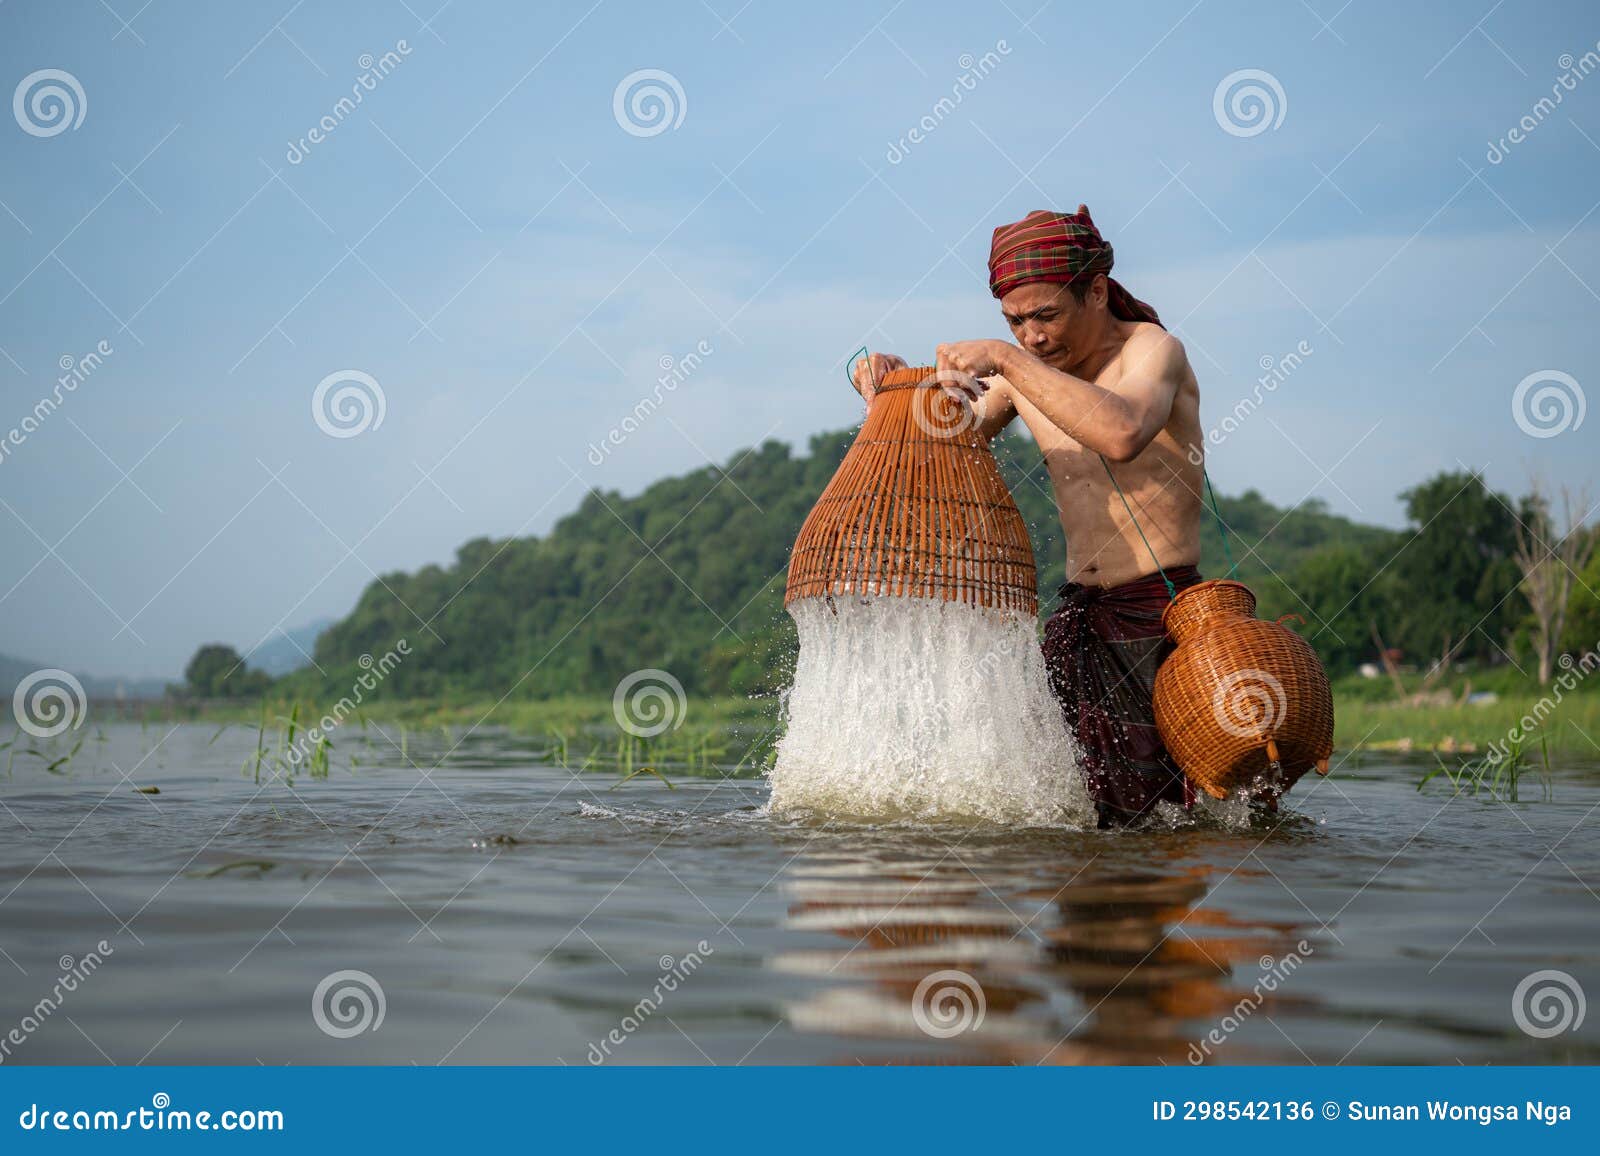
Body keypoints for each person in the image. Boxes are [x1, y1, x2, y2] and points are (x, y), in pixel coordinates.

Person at [851, 205, 1209, 828]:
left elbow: (1121, 431)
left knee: (1154, 821)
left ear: (1096, 292)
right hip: (1078, 613)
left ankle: (1156, 912)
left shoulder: (1154, 353)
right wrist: (886, 390)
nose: (1033, 337)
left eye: (1047, 315)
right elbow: (941, 442)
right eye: (1015, 322)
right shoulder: (1030, 374)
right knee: (1074, 813)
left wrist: (1004, 357)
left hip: (1159, 612)